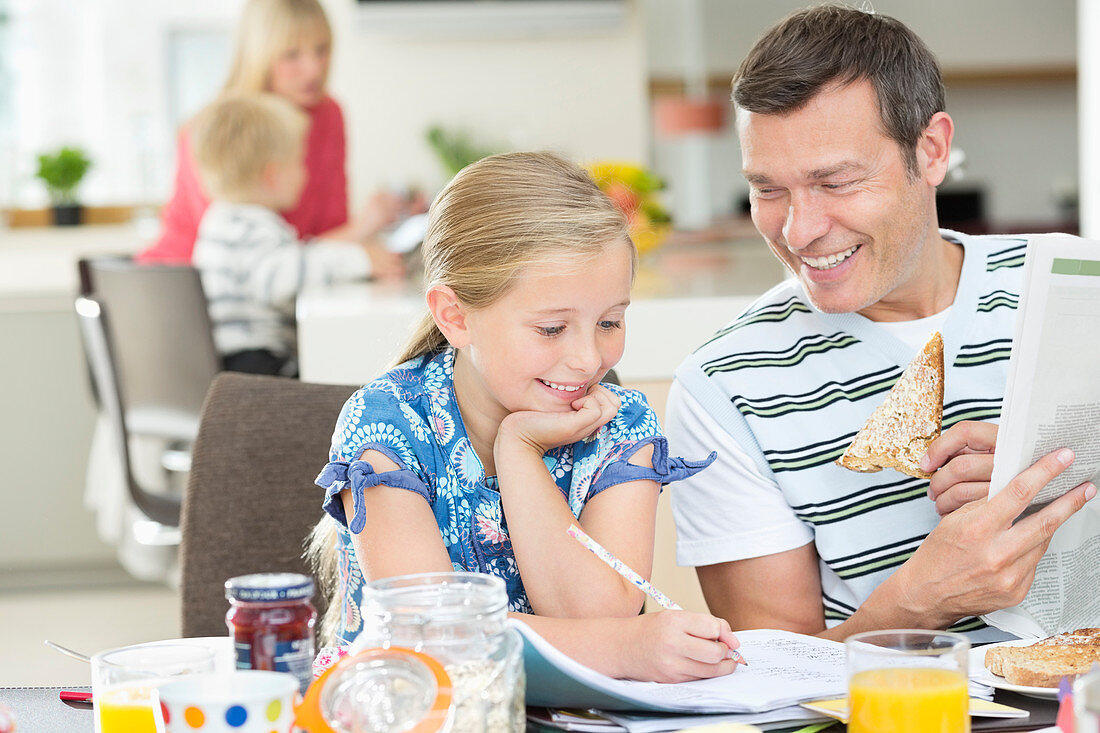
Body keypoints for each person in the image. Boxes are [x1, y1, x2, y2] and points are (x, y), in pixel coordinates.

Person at [667, 3, 1096, 643]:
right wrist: (919, 601)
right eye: (768, 189)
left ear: (931, 150)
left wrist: (1074, 469)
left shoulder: (1074, 284)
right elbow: (775, 686)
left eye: (835, 181)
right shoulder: (723, 386)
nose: (798, 230)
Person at [310, 152, 741, 683]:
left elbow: (597, 619)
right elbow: (432, 635)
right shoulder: (386, 424)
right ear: (455, 316)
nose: (588, 359)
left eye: (609, 321)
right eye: (552, 329)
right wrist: (623, 649)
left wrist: (520, 453)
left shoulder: (621, 424)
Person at [139, 0, 406, 267]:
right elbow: (246, 255)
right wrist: (361, 231)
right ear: (259, 55)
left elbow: (327, 233)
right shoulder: (219, 128)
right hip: (185, 281)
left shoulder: (328, 116)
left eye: (321, 49)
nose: (314, 68)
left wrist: (371, 225)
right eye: (292, 54)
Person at [190, 93, 379, 376]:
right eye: (299, 162)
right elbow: (280, 278)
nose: (305, 174)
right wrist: (360, 261)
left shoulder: (219, 220)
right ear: (271, 175)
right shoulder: (254, 226)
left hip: (232, 368)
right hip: (257, 369)